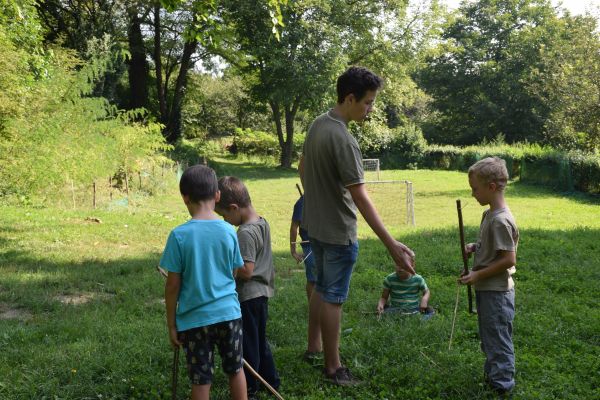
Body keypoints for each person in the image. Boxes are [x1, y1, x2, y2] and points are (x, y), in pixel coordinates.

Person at [299, 66, 415, 386]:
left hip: (315, 227)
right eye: (367, 102)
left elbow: (302, 167)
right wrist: (393, 246)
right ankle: (333, 368)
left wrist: (318, 197)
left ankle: (313, 348)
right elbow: (361, 198)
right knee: (333, 296)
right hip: (337, 233)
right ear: (349, 98)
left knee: (320, 289)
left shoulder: (317, 124)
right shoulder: (343, 139)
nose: (370, 109)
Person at [160, 165, 247, 400]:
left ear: (185, 198)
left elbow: (172, 286)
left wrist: (172, 324)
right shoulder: (229, 231)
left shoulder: (178, 235)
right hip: (229, 315)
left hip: (194, 321)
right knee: (236, 370)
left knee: (201, 380)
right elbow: (235, 269)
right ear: (217, 195)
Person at [215, 176, 280, 400]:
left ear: (234, 208)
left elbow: (246, 270)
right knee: (259, 340)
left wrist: (225, 263)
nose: (226, 220)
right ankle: (271, 381)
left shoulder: (245, 232)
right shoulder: (262, 221)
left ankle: (250, 387)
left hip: (249, 297)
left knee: (249, 345)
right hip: (261, 295)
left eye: (225, 215)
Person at [459, 157, 519, 396]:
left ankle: (502, 385)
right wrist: (475, 247)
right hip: (487, 289)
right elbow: (492, 247)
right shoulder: (489, 215)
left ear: (491, 187)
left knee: (497, 338)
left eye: (475, 188)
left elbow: (508, 259)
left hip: (497, 292)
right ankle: (494, 374)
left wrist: (477, 274)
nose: (473, 194)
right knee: (490, 336)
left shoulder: (501, 221)